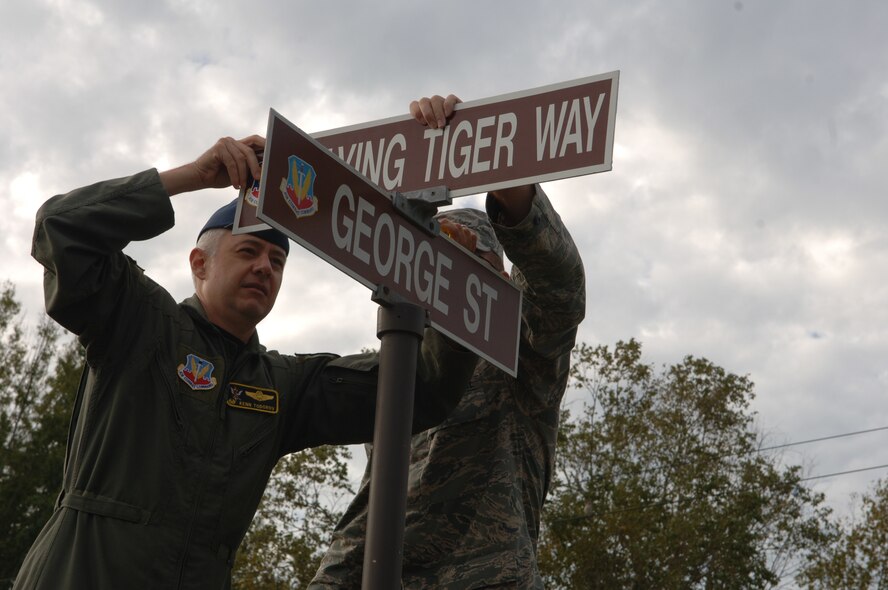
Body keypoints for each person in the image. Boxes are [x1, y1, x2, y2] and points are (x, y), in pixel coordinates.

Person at [14, 131, 477, 589]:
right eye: (248, 251)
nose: (264, 268)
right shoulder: (140, 321)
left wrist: (453, 291)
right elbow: (60, 227)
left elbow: (424, 390)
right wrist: (191, 177)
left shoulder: (281, 385)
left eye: (277, 261)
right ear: (200, 264)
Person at [310, 95, 586, 589]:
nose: (441, 274)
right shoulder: (397, 367)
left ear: (499, 275)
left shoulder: (518, 356)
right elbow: (372, 502)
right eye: (432, 256)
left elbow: (559, 288)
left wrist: (499, 165)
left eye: (463, 257)